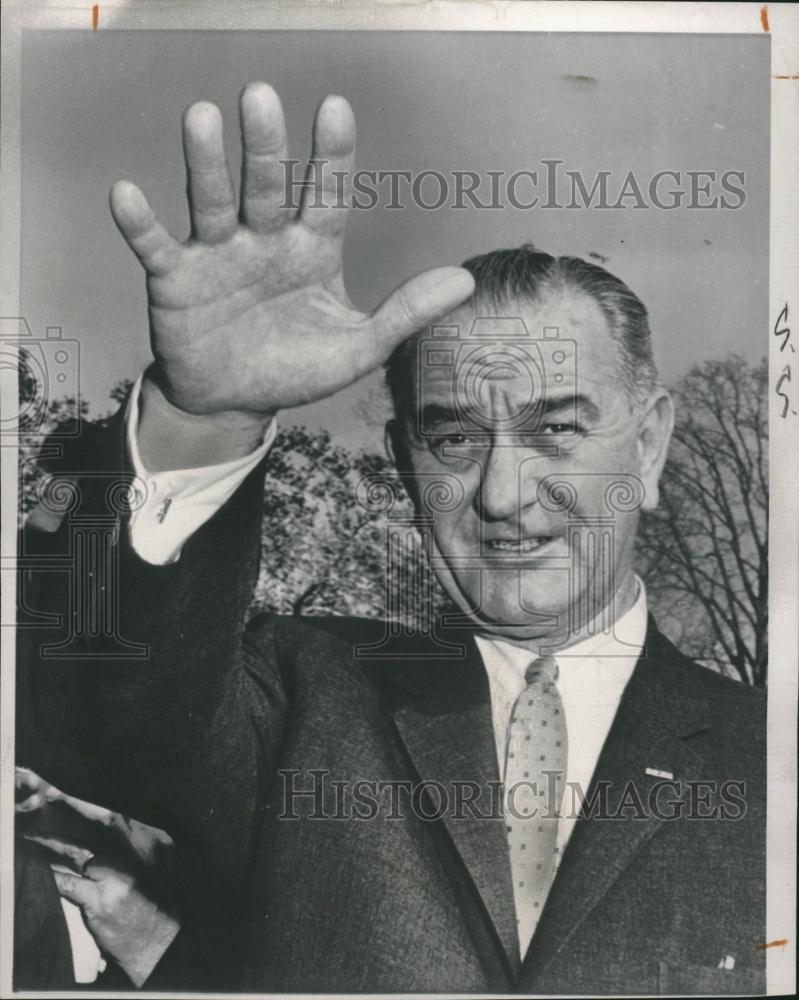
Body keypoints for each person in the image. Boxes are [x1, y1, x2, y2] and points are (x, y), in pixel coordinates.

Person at [16, 83, 766, 994]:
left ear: (647, 446)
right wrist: (205, 419)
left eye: (555, 432)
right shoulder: (305, 696)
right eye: (452, 439)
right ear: (403, 461)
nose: (502, 493)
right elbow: (94, 709)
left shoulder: (766, 759)